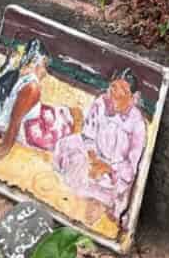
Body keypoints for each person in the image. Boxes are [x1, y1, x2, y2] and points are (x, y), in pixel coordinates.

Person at [52, 70, 147, 219]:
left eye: (124, 91)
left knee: (109, 189)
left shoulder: (137, 124)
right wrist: (94, 160)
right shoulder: (101, 102)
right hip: (94, 155)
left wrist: (108, 168)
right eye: (114, 88)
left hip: (115, 170)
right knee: (68, 146)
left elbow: (131, 165)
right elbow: (88, 136)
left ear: (133, 97)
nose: (116, 95)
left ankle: (96, 199)